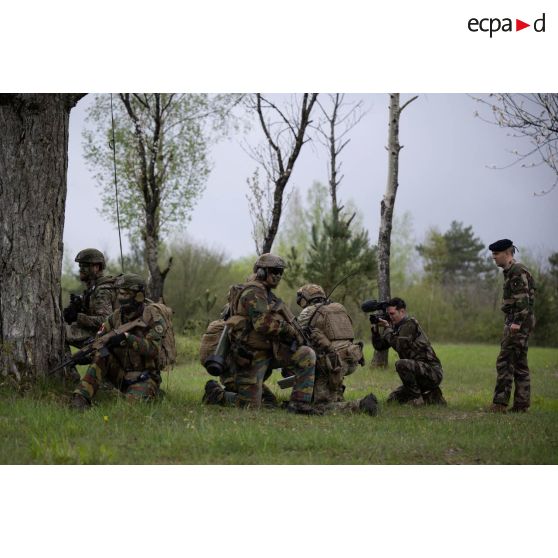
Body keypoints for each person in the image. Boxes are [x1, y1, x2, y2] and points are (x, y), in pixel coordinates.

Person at [204, 253, 318, 414]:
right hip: (251, 356)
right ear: (261, 271)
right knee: (252, 406)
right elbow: (262, 325)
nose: (278, 275)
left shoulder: (266, 293)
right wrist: (287, 329)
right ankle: (217, 395)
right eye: (273, 271)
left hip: (270, 350)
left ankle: (300, 404)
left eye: (280, 272)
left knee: (306, 354)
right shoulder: (253, 291)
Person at [70, 273, 168, 410]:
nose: (121, 298)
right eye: (120, 293)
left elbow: (153, 350)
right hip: (120, 373)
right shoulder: (114, 318)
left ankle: (153, 392)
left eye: (126, 294)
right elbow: (99, 341)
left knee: (129, 408)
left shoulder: (152, 318)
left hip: (144, 376)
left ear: (139, 295)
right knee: (101, 354)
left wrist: (127, 338)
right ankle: (81, 398)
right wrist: (85, 355)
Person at [295, 283, 378, 416]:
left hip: (331, 363)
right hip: (352, 358)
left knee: (321, 405)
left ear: (305, 298)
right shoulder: (339, 307)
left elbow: (296, 335)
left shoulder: (308, 312)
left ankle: (361, 405)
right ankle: (336, 394)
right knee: (325, 392)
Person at [488, 239, 536, 413]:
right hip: (521, 322)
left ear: (507, 254)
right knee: (520, 364)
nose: (493, 258)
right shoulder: (511, 271)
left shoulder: (516, 271)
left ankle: (500, 404)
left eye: (496, 254)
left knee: (505, 362)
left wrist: (515, 323)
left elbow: (523, 301)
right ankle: (522, 405)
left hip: (518, 323)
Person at [371, 297, 446, 406]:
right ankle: (433, 396)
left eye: (392, 314)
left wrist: (387, 329)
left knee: (401, 364)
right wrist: (375, 330)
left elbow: (400, 346)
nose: (390, 317)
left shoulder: (410, 324)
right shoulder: (395, 327)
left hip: (432, 372)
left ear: (402, 311)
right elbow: (380, 346)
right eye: (388, 315)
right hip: (418, 372)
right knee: (393, 399)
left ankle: (417, 399)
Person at [64, 248, 117, 348]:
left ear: (96, 267)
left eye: (84, 266)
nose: (80, 269)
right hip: (98, 334)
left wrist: (78, 317)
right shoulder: (93, 288)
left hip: (106, 337)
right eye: (80, 266)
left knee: (60, 332)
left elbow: (105, 320)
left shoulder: (103, 290)